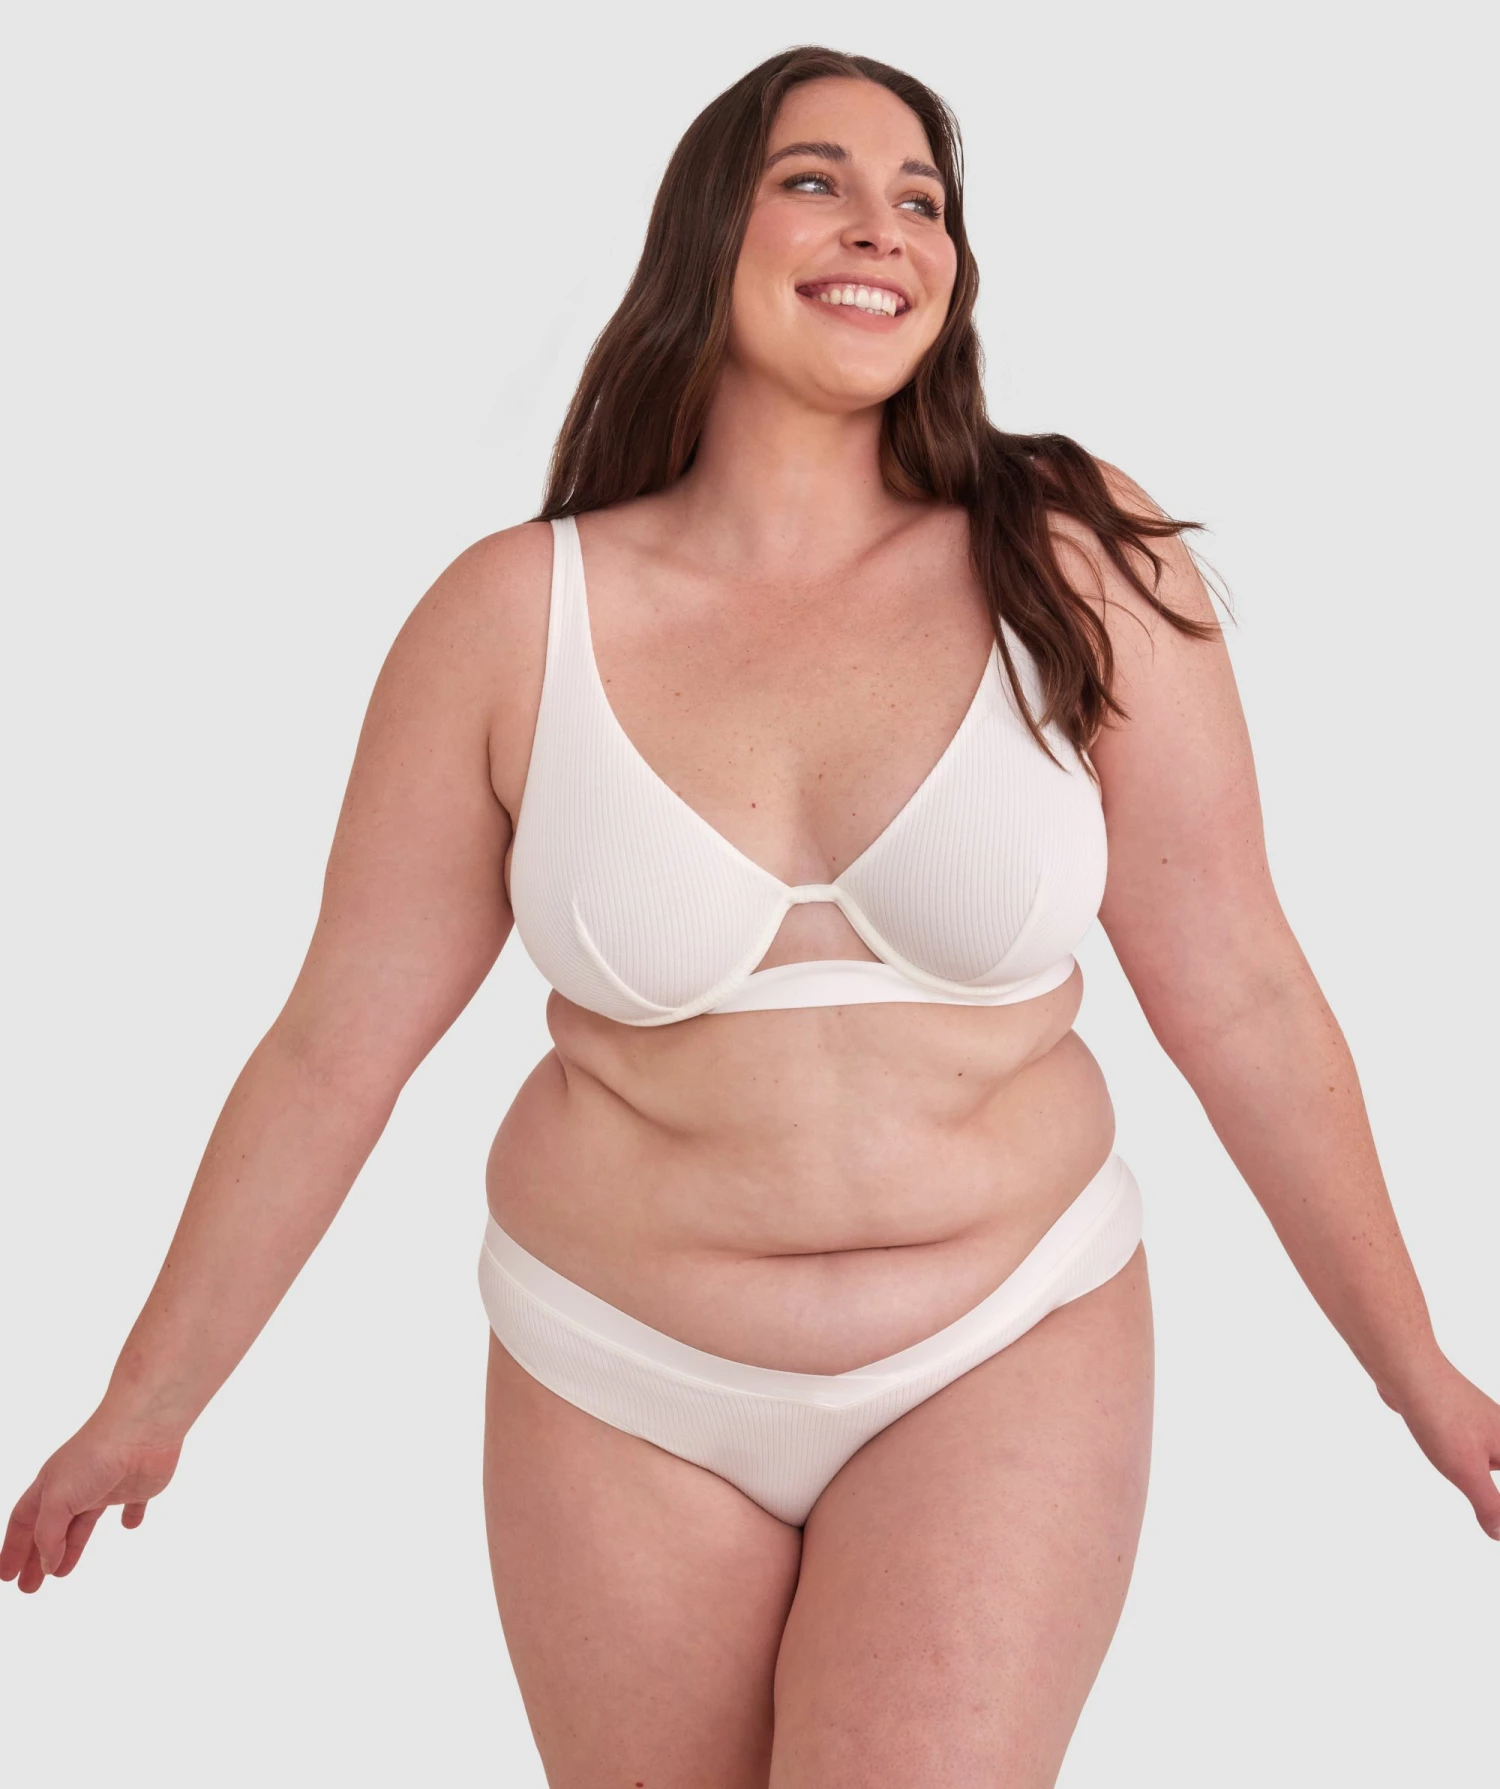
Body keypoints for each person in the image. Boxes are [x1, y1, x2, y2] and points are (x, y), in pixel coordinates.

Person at [5, 41, 1497, 1788]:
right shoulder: (509, 617)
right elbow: (336, 1047)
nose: (883, 228)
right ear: (706, 231)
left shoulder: (1075, 559)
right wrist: (150, 1401)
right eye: (817, 181)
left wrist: (1419, 1374)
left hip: (999, 1333)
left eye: (923, 200)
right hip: (615, 1367)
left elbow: (1240, 990)